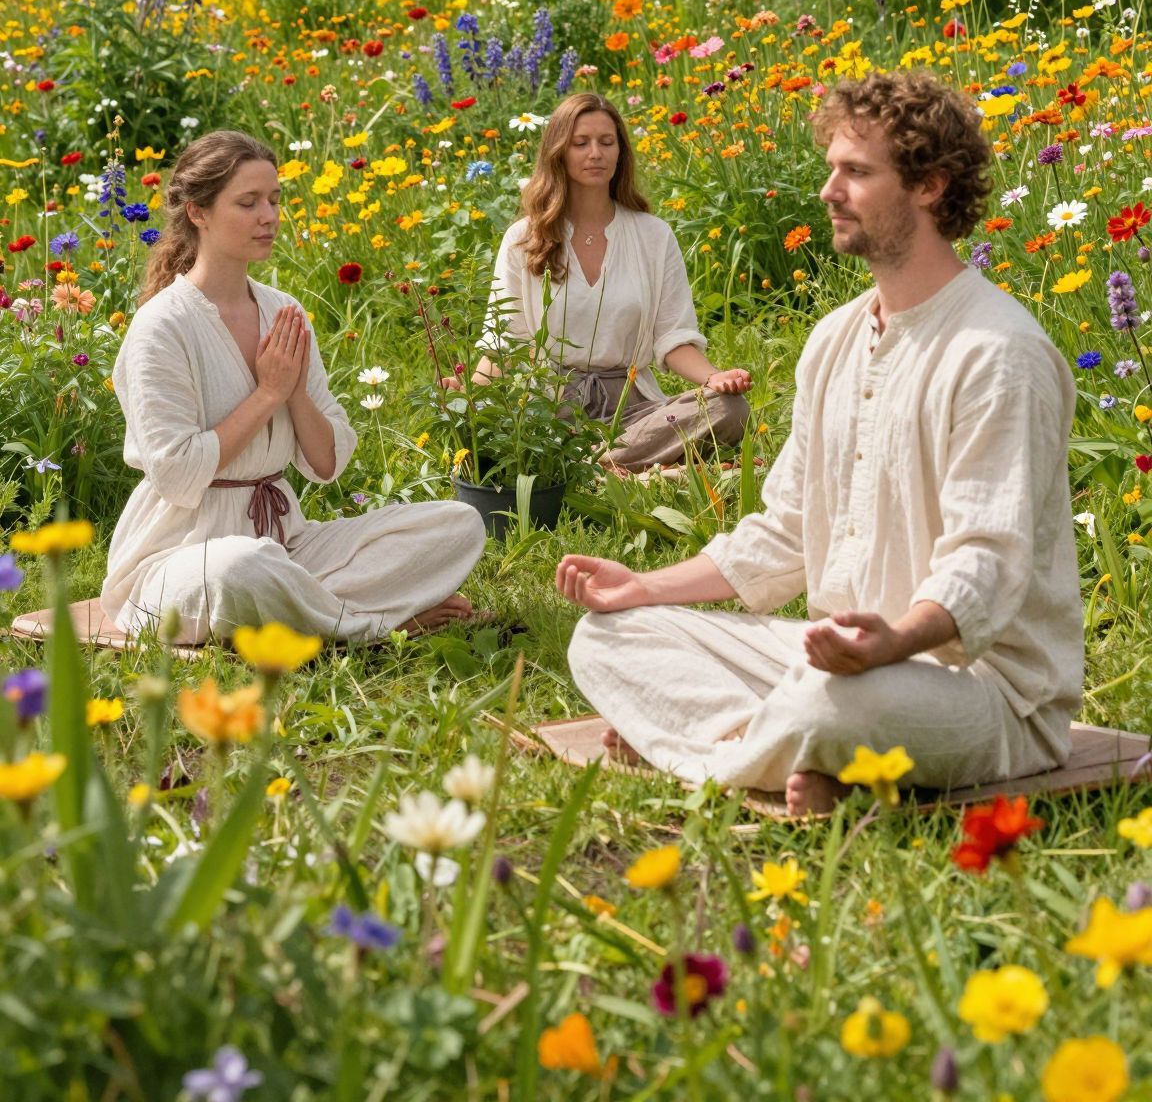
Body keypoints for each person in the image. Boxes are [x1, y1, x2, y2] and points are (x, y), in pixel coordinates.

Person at [558, 72, 1084, 814]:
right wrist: (643, 589)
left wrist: (892, 645)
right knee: (605, 637)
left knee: (835, 708)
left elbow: (988, 566)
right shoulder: (834, 339)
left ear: (930, 187)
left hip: (979, 692)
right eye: (832, 168)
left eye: (857, 173)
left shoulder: (998, 352)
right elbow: (785, 530)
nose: (830, 190)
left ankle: (719, 745)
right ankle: (778, 755)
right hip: (831, 656)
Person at [101, 130, 486, 645]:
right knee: (241, 568)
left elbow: (326, 464)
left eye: (275, 200)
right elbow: (176, 474)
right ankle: (376, 625)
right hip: (180, 558)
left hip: (287, 543)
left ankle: (306, 605)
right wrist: (266, 395)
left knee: (459, 523)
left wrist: (293, 391)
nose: (269, 216)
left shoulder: (284, 312)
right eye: (249, 202)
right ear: (198, 212)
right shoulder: (160, 327)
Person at [479, 92, 751, 473]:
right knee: (486, 427)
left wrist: (716, 378)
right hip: (551, 410)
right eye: (581, 143)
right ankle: (637, 468)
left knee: (730, 408)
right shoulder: (524, 238)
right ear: (558, 152)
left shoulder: (652, 235)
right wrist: (468, 397)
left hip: (636, 409)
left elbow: (674, 339)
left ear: (621, 152)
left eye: (607, 143)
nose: (596, 153)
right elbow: (506, 342)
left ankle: (588, 468)